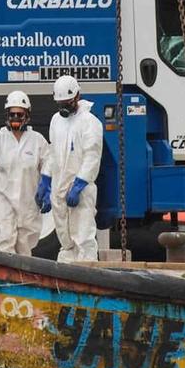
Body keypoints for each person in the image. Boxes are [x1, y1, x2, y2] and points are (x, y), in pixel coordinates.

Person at [0, 90, 50, 257]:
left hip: (29, 200)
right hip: (3, 198)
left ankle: (22, 280)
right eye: (12, 114)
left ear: (27, 115)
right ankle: (3, 279)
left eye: (20, 114)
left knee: (25, 245)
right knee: (5, 239)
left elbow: (48, 163)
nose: (16, 118)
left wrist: (47, 186)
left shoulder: (37, 141)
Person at [47, 74, 104, 263]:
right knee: (65, 237)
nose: (64, 107)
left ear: (77, 96)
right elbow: (52, 151)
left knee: (83, 235)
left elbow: (92, 155)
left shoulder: (90, 122)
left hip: (81, 187)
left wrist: (79, 184)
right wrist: (46, 179)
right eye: (60, 103)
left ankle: (87, 272)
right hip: (59, 187)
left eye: (68, 103)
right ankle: (65, 276)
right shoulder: (56, 120)